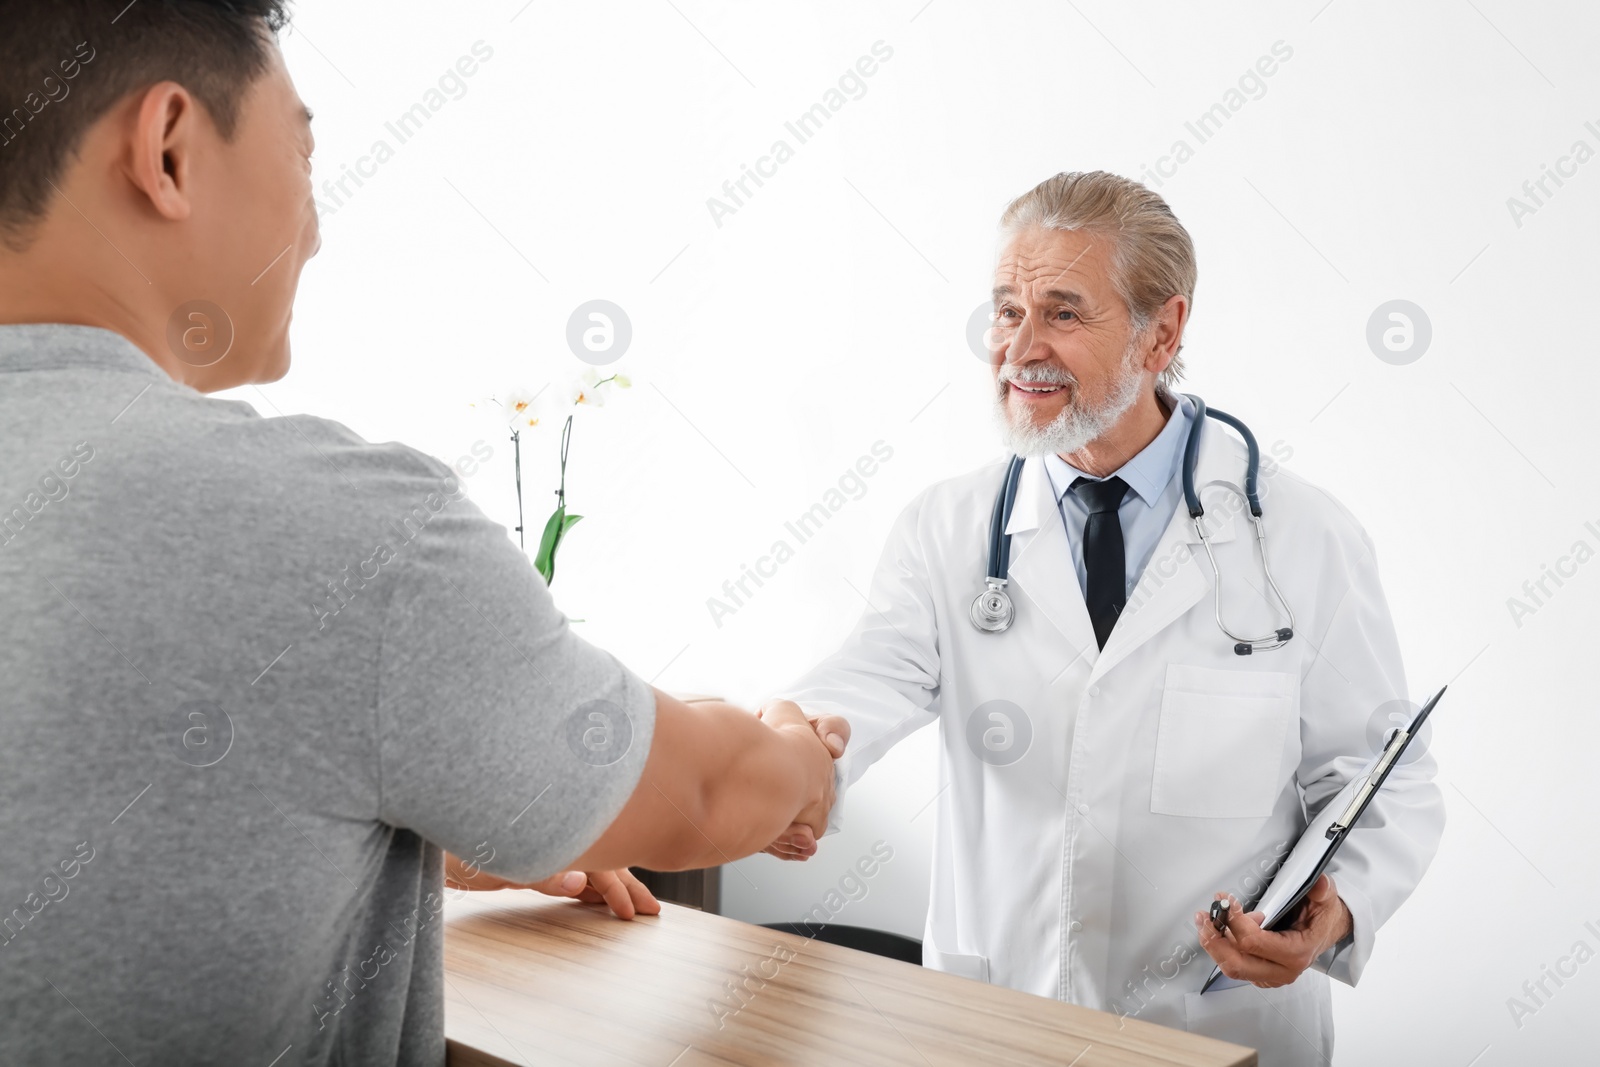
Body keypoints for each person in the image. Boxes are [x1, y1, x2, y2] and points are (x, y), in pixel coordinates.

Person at [0, 4, 843, 1064]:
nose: (315, 229)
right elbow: (715, 790)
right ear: (168, 149)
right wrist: (800, 756)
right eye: (302, 154)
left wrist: (404, 837)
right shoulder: (341, 536)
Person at [761, 170, 1445, 1064]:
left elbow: (1383, 776)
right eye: (1006, 311)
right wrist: (796, 754)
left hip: (1216, 1027)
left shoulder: (1302, 537)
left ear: (1162, 332)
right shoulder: (949, 528)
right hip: (999, 1017)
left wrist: (1332, 913)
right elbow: (864, 681)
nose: (1018, 348)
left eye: (1063, 313)